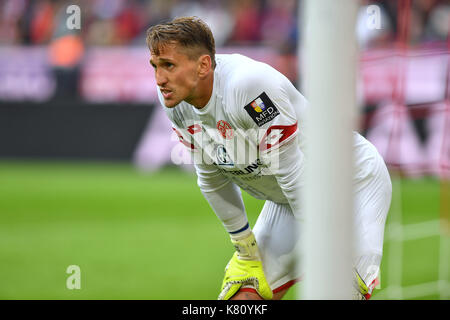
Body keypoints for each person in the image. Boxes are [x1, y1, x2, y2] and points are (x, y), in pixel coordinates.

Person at [146, 16, 392, 300]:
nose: (159, 79)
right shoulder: (175, 102)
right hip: (291, 198)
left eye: (168, 66)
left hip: (351, 185)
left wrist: (322, 244)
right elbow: (211, 177)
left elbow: (290, 171)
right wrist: (244, 247)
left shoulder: (249, 88)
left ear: (203, 65)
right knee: (243, 297)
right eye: (154, 66)